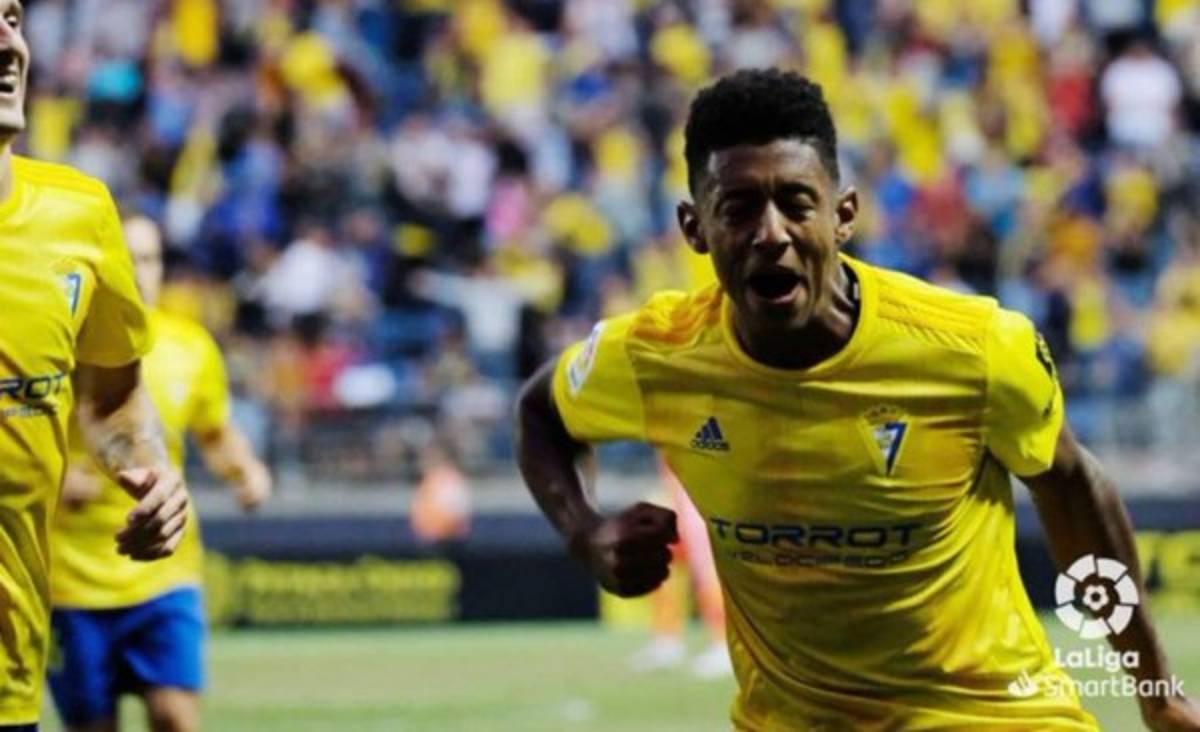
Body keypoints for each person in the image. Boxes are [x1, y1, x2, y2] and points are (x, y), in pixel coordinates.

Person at [515, 68, 1200, 730]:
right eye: (739, 208)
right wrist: (584, 532)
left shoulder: (974, 348)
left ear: (843, 215)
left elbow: (1073, 489)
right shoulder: (656, 354)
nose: (771, 233)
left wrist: (1157, 692)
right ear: (695, 229)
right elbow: (541, 412)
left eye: (796, 203)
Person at [0, 2, 190, 729]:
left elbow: (111, 396)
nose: (7, 40)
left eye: (12, 17)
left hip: (10, 673)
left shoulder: (78, 216)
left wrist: (147, 469)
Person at [47, 216, 273, 732]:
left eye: (149, 259)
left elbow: (214, 432)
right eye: (127, 258)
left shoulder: (190, 347)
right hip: (72, 581)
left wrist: (246, 470)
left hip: (166, 572)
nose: (139, 271)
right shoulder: (61, 347)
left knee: (175, 716)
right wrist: (55, 481)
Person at [628, 458, 729, 679]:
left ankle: (723, 643)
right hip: (675, 490)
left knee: (707, 567)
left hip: (705, 491)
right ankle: (667, 640)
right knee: (661, 558)